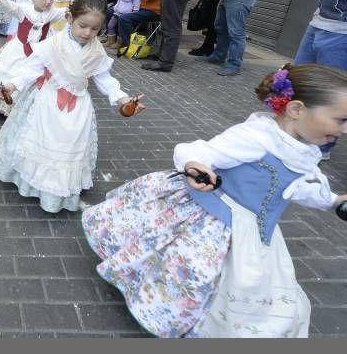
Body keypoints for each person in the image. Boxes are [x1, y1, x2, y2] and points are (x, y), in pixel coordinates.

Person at [82, 63, 347, 338]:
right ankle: (157, 308)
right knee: (187, 271)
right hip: (215, 220)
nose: (345, 129)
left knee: (227, 282)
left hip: (254, 232)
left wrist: (332, 199)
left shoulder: (305, 150)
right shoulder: (256, 137)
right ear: (296, 110)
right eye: (340, 119)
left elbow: (300, 186)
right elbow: (198, 150)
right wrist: (196, 165)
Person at [0, 0, 145, 212]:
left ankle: (59, 190)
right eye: (83, 26)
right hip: (47, 101)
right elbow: (31, 69)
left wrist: (123, 98)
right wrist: (12, 85)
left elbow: (105, 79)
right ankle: (33, 184)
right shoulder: (52, 44)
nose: (88, 33)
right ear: (70, 18)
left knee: (69, 148)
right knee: (41, 143)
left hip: (78, 107)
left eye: (95, 29)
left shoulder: (97, 51)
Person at [293, 0, 347, 162]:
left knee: (328, 94)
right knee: (298, 82)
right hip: (324, 23)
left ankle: (319, 148)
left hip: (341, 34)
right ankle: (296, 134)